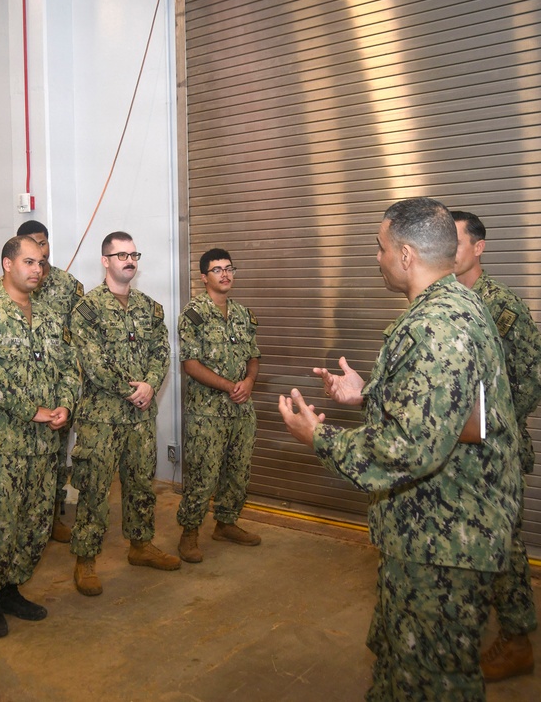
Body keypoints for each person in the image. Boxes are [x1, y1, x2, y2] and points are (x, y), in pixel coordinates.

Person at [278, 197, 521, 700]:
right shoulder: (457, 305)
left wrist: (318, 437)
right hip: (437, 531)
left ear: (406, 255)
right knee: (402, 671)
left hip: (445, 541)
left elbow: (409, 448)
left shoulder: (436, 328)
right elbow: (460, 415)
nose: (377, 257)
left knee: (433, 683)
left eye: (381, 247)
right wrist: (367, 393)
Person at [0, 235, 77, 637]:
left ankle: (10, 588)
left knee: (35, 524)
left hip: (43, 446)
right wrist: (33, 410)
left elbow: (69, 367)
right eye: (28, 262)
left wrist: (64, 404)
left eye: (41, 263)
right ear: (7, 264)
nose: (37, 270)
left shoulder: (48, 316)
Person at [452, 210, 541, 681]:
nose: (447, 248)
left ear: (479, 248)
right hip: (452, 453)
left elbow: (531, 377)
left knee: (502, 545)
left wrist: (491, 427)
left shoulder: (499, 305)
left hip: (492, 452)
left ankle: (516, 639)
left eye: (457, 241)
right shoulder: (441, 300)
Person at [69, 231, 177, 597]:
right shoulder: (87, 309)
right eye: (121, 255)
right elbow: (93, 362)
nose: (129, 261)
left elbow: (162, 353)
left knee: (142, 484)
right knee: (95, 491)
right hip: (102, 418)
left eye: (134, 254)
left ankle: (141, 545)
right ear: (105, 261)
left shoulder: (150, 308)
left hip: (141, 418)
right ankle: (85, 561)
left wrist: (150, 384)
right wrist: (135, 390)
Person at [176, 248, 261, 563]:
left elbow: (253, 355)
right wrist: (229, 386)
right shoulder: (194, 314)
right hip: (207, 412)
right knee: (203, 474)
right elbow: (190, 364)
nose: (225, 275)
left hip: (241, 410)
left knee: (238, 470)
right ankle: (189, 533)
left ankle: (226, 523)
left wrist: (249, 382)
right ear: (204, 277)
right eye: (217, 270)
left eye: (229, 268)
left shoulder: (242, 313)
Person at [13, 220, 84, 542]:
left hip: (59, 392)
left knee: (56, 458)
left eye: (42, 244)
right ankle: (23, 521)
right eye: (30, 247)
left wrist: (68, 395)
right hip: (21, 397)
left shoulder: (69, 286)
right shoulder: (1, 290)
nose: (39, 253)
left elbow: (79, 339)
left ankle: (53, 515)